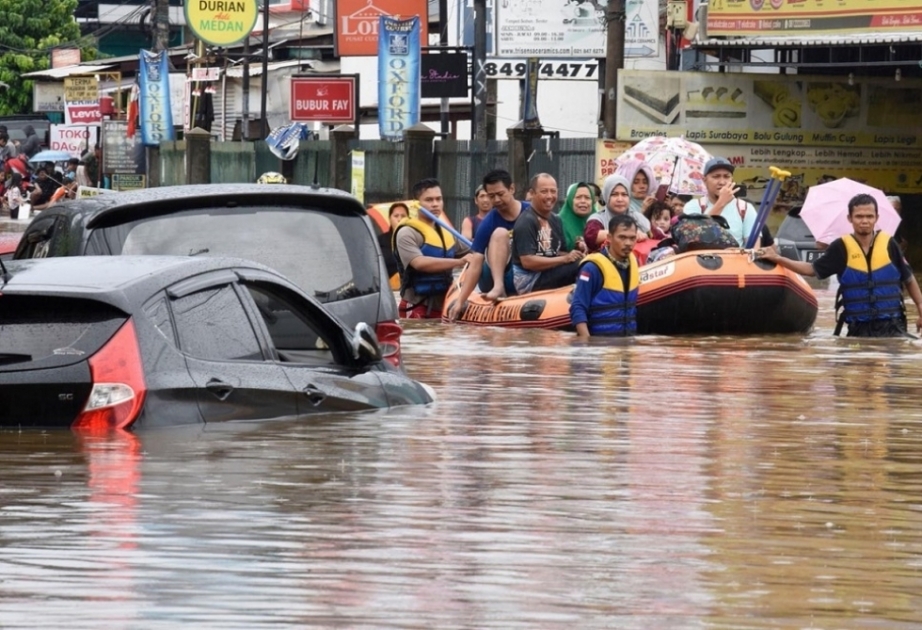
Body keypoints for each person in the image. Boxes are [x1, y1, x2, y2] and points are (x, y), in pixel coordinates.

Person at [757, 193, 922, 337]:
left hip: (893, 326)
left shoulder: (889, 244)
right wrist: (778, 258)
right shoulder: (840, 247)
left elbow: (909, 279)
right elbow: (810, 269)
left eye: (869, 216)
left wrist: (920, 309)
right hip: (858, 328)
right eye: (859, 216)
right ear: (850, 218)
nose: (864, 221)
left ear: (876, 218)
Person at [448, 169, 530, 316]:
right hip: (492, 277)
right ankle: (499, 286)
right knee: (500, 233)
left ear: (512, 189)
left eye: (500, 194)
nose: (496, 200)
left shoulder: (531, 213)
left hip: (523, 271)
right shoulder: (489, 222)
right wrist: (460, 301)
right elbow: (476, 262)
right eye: (491, 196)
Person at [393, 178, 475, 319]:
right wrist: (459, 262)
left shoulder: (447, 231)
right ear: (417, 204)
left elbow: (474, 252)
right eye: (429, 200)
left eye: (439, 199)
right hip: (416, 305)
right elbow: (419, 263)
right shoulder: (406, 232)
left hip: (444, 305)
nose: (435, 204)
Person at [511, 173, 584, 294]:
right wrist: (565, 259)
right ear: (532, 193)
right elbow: (528, 262)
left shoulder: (556, 219)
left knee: (587, 261)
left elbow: (558, 251)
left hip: (549, 271)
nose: (550, 196)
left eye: (553, 191)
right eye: (544, 192)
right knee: (578, 265)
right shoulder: (526, 221)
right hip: (530, 280)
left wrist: (577, 250)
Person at [570, 214, 640, 338]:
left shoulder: (634, 264)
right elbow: (578, 307)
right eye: (622, 237)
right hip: (600, 344)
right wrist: (587, 343)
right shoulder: (591, 268)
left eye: (632, 238)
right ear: (609, 238)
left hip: (627, 343)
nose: (628, 243)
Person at [684, 157, 759, 247]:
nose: (722, 182)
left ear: (732, 180)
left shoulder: (746, 209)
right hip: (701, 260)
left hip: (735, 259)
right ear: (704, 181)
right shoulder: (693, 206)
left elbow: (754, 250)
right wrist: (721, 203)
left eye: (727, 177)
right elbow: (692, 238)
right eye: (716, 176)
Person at [584, 174, 648, 253]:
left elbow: (652, 233)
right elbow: (591, 237)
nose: (620, 199)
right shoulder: (598, 218)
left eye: (624, 194)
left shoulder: (636, 216)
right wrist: (628, 232)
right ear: (607, 196)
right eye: (614, 194)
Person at [616, 159, 656, 231]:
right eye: (636, 182)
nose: (642, 186)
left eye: (645, 182)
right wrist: (643, 212)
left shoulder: (652, 202)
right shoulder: (622, 206)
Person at [558, 181, 595, 251]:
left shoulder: (598, 221)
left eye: (587, 198)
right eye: (578, 197)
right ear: (570, 200)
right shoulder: (557, 222)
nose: (583, 201)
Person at [378, 201, 409, 278]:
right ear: (390, 218)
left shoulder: (415, 240)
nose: (399, 219)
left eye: (403, 216)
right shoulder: (380, 241)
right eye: (396, 216)